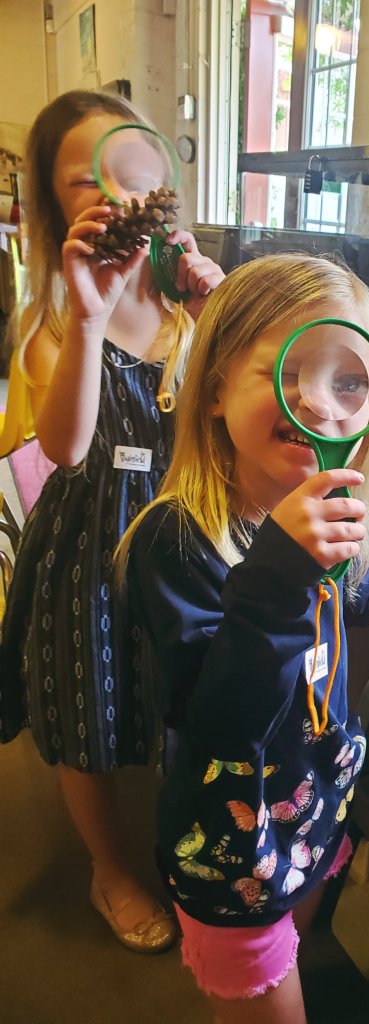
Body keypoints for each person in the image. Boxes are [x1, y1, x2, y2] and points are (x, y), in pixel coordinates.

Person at [116, 252, 369, 1021]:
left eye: (348, 383)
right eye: (289, 373)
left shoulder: (319, 525)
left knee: (298, 952)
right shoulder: (176, 542)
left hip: (312, 815)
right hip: (231, 858)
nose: (318, 402)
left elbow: (360, 594)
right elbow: (219, 725)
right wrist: (277, 576)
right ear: (214, 390)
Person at [0, 90, 224, 953]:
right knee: (86, 706)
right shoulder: (56, 319)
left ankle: (183, 829)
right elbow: (65, 447)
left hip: (179, 531)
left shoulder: (181, 302)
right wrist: (92, 318)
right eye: (87, 181)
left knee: (179, 691)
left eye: (136, 177)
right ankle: (107, 867)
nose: (117, 196)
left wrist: (214, 313)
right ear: (52, 207)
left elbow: (233, 406)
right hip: (88, 541)